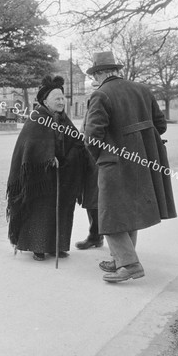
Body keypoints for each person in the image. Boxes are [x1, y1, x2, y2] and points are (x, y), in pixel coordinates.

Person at [84, 51, 177, 283]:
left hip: (113, 163)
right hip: (143, 162)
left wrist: (101, 156)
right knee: (128, 212)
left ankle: (130, 264)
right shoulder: (143, 90)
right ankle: (120, 259)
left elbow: (92, 136)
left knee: (110, 214)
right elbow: (161, 126)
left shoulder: (101, 95)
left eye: (95, 74)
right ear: (116, 70)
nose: (94, 79)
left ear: (101, 73)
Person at [6, 75, 84, 261]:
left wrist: (71, 156)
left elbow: (76, 141)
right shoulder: (37, 118)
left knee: (63, 208)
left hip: (61, 173)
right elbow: (31, 147)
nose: (61, 101)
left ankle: (57, 245)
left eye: (62, 98)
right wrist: (47, 159)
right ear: (45, 101)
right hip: (39, 178)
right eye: (56, 98)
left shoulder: (63, 119)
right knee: (40, 209)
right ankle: (37, 247)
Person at [75, 99, 103, 250]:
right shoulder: (91, 108)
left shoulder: (104, 106)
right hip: (88, 160)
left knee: (97, 200)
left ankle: (97, 236)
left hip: (100, 159)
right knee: (90, 199)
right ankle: (95, 236)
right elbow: (83, 131)